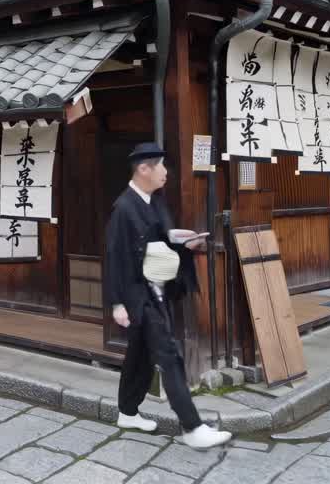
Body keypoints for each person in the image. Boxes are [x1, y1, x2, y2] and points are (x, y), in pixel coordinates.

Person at [105, 143, 232, 450]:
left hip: (157, 288)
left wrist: (182, 243)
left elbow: (158, 242)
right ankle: (191, 427)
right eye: (160, 166)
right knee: (169, 355)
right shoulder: (124, 208)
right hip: (139, 294)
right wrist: (117, 303)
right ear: (143, 169)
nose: (166, 172)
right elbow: (114, 256)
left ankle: (127, 411)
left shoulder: (154, 201)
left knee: (141, 355)